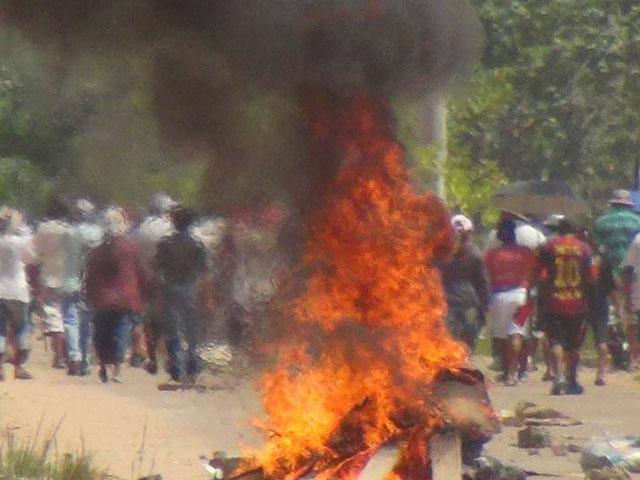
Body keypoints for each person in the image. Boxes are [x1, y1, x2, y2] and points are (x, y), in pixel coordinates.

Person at [85, 207, 148, 383]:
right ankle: (117, 371)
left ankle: (103, 367)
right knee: (120, 332)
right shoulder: (130, 248)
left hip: (101, 299)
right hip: (125, 299)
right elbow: (139, 272)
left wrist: (89, 294)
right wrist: (143, 293)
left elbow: (90, 276)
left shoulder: (96, 251)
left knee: (102, 334)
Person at [538, 215, 595, 395]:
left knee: (555, 341)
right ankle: (572, 380)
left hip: (554, 300)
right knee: (573, 344)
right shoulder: (584, 248)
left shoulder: (549, 246)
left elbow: (538, 272)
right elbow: (592, 277)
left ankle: (559, 377)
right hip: (577, 302)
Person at [155, 206, 207, 382]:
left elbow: (156, 267)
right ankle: (192, 367)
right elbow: (204, 269)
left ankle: (177, 369)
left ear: (174, 221)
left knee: (174, 329)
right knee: (191, 330)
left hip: (171, 288)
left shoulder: (166, 243)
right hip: (191, 288)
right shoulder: (197, 244)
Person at [485, 218, 538, 386]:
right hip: (521, 296)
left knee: (500, 338)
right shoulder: (526, 252)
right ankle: (514, 373)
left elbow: (486, 277)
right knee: (517, 334)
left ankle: (507, 371)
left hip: (498, 296)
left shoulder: (491, 254)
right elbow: (536, 272)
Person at [594, 189, 640, 366]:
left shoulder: (600, 222)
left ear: (612, 203)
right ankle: (632, 353)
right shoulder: (637, 221)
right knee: (631, 314)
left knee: (612, 312)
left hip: (608, 272)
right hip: (632, 272)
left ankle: (617, 349)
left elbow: (598, 249)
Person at [134, 193, 177, 371]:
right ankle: (170, 357)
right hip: (167, 279)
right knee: (170, 319)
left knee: (149, 319)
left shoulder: (141, 228)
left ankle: (150, 356)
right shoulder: (170, 228)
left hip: (145, 279)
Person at [438, 214, 490, 351]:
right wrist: (484, 309)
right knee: (465, 347)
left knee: (448, 346)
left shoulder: (440, 253)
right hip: (467, 305)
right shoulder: (474, 254)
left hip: (447, 305)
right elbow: (482, 284)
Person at [63, 199, 103, 375]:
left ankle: (75, 356)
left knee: (71, 321)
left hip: (71, 281)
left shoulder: (69, 233)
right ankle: (86, 361)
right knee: (87, 324)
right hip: (91, 282)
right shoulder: (99, 233)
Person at [33, 197, 73, 369]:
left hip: (48, 277)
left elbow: (36, 253)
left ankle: (59, 356)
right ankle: (71, 353)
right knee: (70, 317)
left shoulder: (42, 229)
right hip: (68, 278)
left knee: (54, 318)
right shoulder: (69, 230)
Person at [0, 208, 35, 380]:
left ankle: (0, 368)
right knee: (21, 328)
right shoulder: (20, 242)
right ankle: (19, 367)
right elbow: (32, 258)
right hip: (18, 290)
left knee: (0, 330)